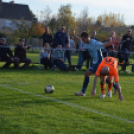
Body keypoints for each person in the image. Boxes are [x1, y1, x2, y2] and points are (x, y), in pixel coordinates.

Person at [72, 28, 117, 96]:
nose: (82, 41)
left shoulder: (95, 43)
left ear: (87, 38)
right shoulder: (85, 41)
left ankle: (83, 92)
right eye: (82, 39)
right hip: (95, 61)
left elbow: (104, 44)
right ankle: (115, 86)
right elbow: (79, 40)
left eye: (83, 39)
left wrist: (111, 42)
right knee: (102, 77)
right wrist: (74, 34)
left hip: (99, 62)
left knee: (87, 74)